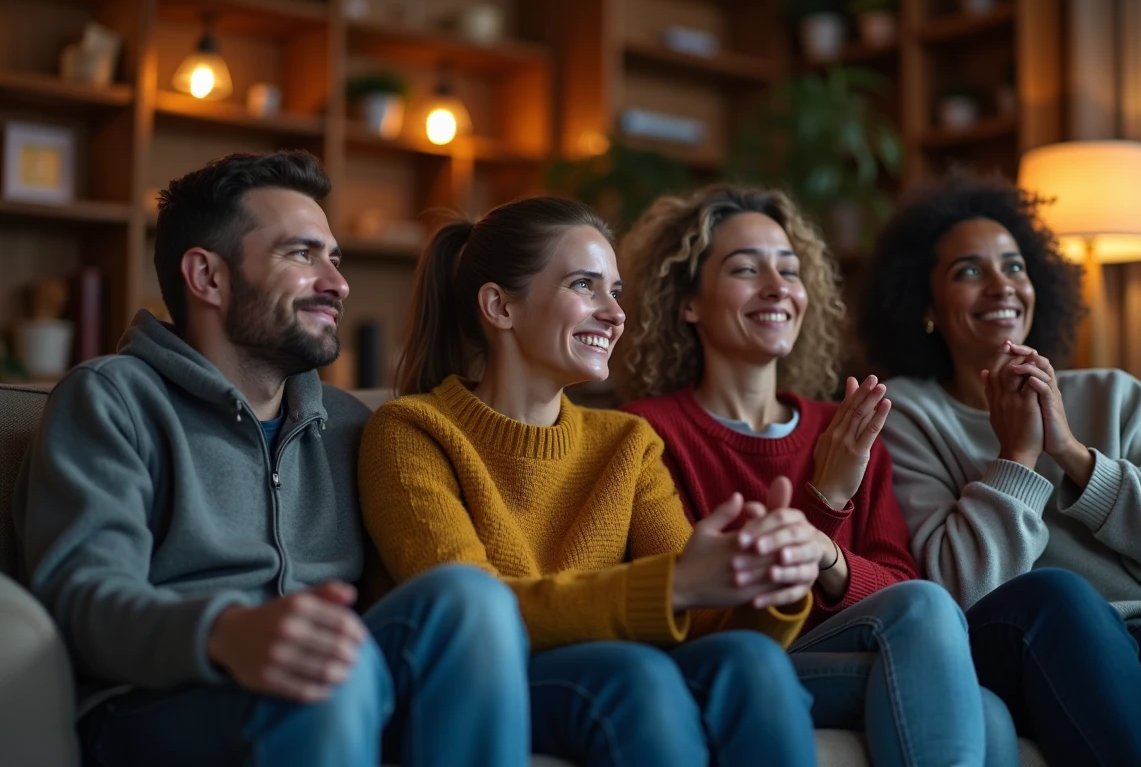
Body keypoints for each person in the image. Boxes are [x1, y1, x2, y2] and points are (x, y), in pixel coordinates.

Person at [13, 151, 529, 767]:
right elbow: (84, 599)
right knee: (329, 677)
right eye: (301, 254)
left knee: (470, 599)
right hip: (153, 706)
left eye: (334, 259)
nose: (337, 283)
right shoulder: (113, 399)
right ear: (208, 277)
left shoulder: (350, 425)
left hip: (347, 683)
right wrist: (226, 632)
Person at [359, 196, 820, 766]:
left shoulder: (625, 442)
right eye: (585, 286)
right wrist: (674, 584)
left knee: (755, 663)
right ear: (500, 306)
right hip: (481, 683)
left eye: (616, 292)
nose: (615, 313)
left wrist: (771, 581)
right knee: (635, 673)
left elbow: (703, 623)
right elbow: (471, 619)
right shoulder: (412, 432)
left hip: (610, 670)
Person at [616, 184, 1017, 767]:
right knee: (958, 666)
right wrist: (823, 503)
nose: (778, 288)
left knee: (991, 713)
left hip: (843, 651)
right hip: (737, 663)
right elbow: (700, 616)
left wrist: (828, 557)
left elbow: (900, 583)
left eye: (791, 270)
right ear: (687, 302)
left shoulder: (847, 426)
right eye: (746, 270)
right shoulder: (647, 433)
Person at [859, 171, 1141, 766]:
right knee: (1058, 593)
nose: (1000, 287)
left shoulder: (1111, 395)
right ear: (927, 306)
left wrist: (1073, 455)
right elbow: (957, 591)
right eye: (968, 271)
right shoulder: (904, 412)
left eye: (1014, 266)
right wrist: (1017, 458)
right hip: (1032, 640)